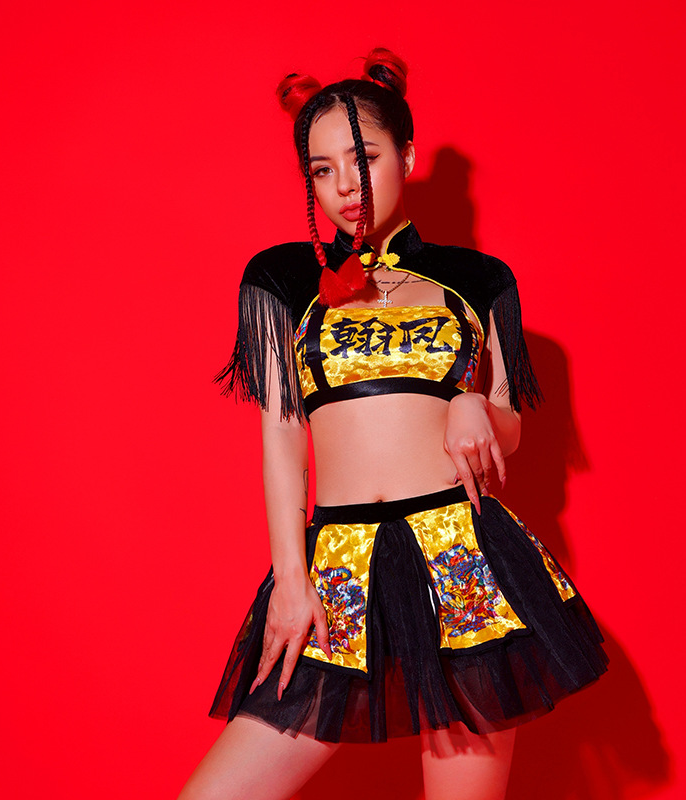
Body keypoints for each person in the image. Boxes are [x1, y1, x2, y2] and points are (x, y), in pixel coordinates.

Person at [179, 48, 608, 800]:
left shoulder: (478, 281)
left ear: (406, 155)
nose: (346, 186)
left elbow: (508, 428)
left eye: (364, 158)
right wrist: (291, 579)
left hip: (461, 561)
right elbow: (281, 432)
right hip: (337, 564)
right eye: (322, 170)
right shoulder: (282, 280)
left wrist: (473, 403)